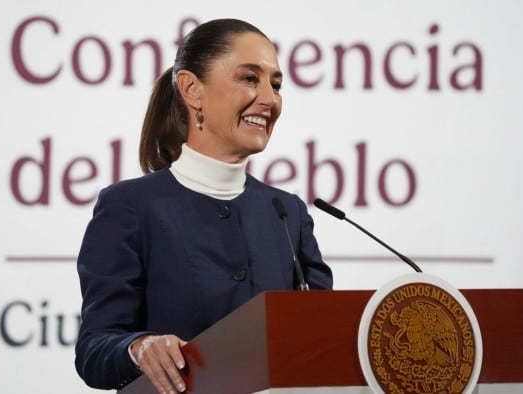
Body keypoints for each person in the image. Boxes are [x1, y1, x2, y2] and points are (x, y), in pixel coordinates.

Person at [75, 18, 333, 393]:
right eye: (249, 79)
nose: (269, 98)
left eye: (275, 85)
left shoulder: (288, 213)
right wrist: (139, 347)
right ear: (192, 89)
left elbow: (325, 342)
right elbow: (94, 350)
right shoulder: (130, 207)